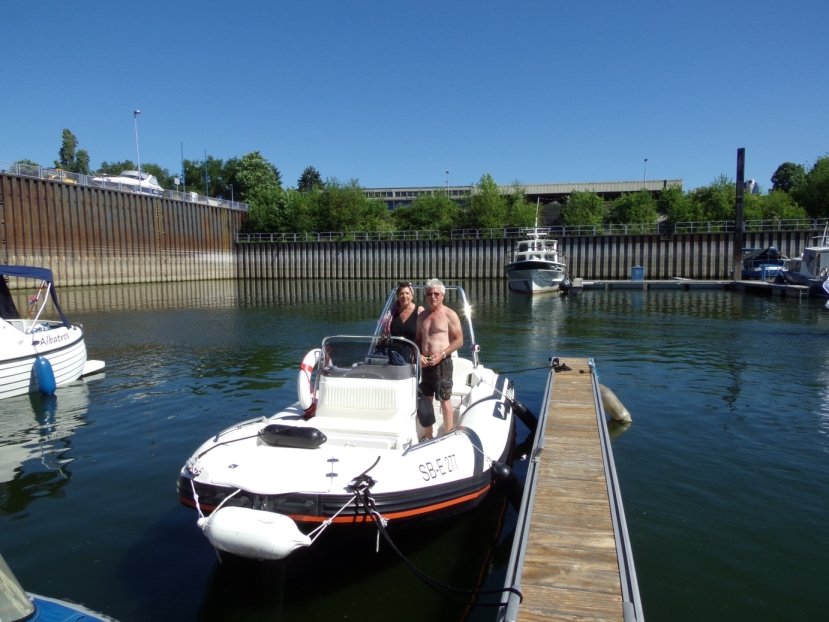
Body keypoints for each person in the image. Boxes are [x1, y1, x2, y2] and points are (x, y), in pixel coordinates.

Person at [416, 278, 464, 439]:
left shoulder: (450, 315)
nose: (433, 297)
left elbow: (459, 340)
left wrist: (442, 354)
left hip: (443, 363)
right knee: (426, 399)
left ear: (442, 295)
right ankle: (428, 434)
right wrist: (419, 355)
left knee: (445, 399)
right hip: (425, 364)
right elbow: (418, 340)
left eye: (436, 294)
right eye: (429, 294)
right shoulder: (422, 316)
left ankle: (448, 433)